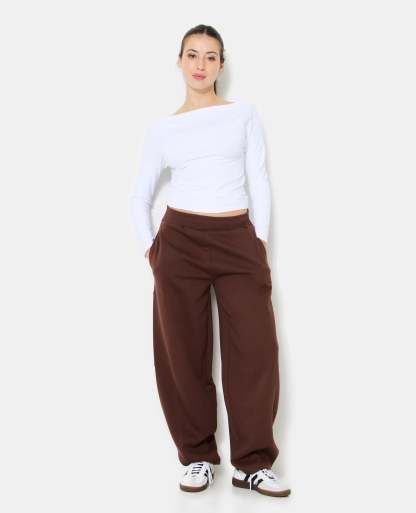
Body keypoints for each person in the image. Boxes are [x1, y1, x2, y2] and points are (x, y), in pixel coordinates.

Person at [129, 24, 291, 498]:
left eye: (211, 56)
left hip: (237, 236)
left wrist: (259, 242)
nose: (200, 64)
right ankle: (197, 456)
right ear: (179, 61)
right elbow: (139, 194)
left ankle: (252, 464)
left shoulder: (243, 114)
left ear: (222, 65)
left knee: (256, 350)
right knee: (182, 352)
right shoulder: (163, 129)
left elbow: (258, 179)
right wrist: (152, 249)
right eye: (192, 55)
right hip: (179, 241)